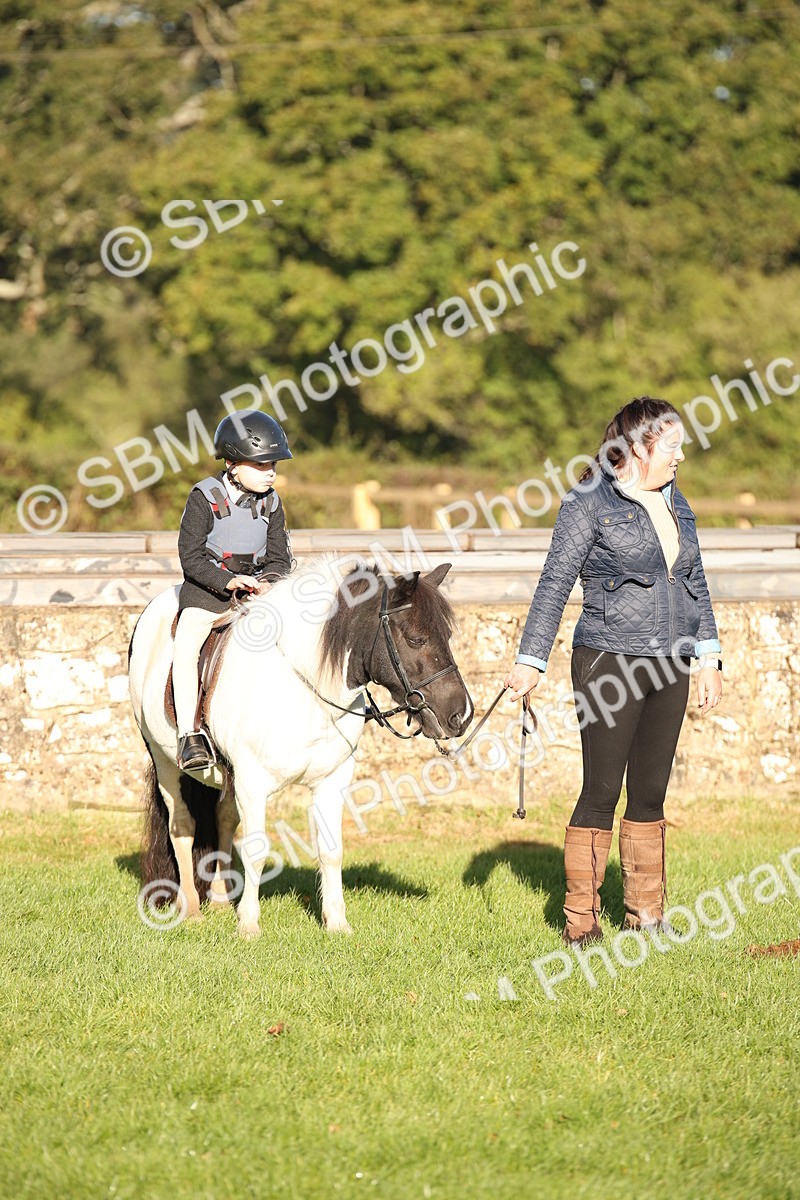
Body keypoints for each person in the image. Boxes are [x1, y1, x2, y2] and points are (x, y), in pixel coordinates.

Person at [503, 397, 722, 946]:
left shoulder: (677, 502)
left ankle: (646, 914)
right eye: (671, 446)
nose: (680, 456)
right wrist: (531, 660)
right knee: (601, 789)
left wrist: (709, 655)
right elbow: (555, 581)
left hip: (670, 659)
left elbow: (695, 581)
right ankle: (580, 923)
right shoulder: (588, 503)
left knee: (650, 793)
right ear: (641, 446)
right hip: (608, 659)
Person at [174, 409, 293, 770]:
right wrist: (228, 581)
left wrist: (270, 581)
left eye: (272, 464)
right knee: (186, 647)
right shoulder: (204, 497)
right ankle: (188, 736)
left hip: (256, 596)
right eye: (260, 465)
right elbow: (190, 557)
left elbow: (280, 557)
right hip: (208, 594)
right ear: (231, 464)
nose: (270, 471)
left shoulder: (271, 503)